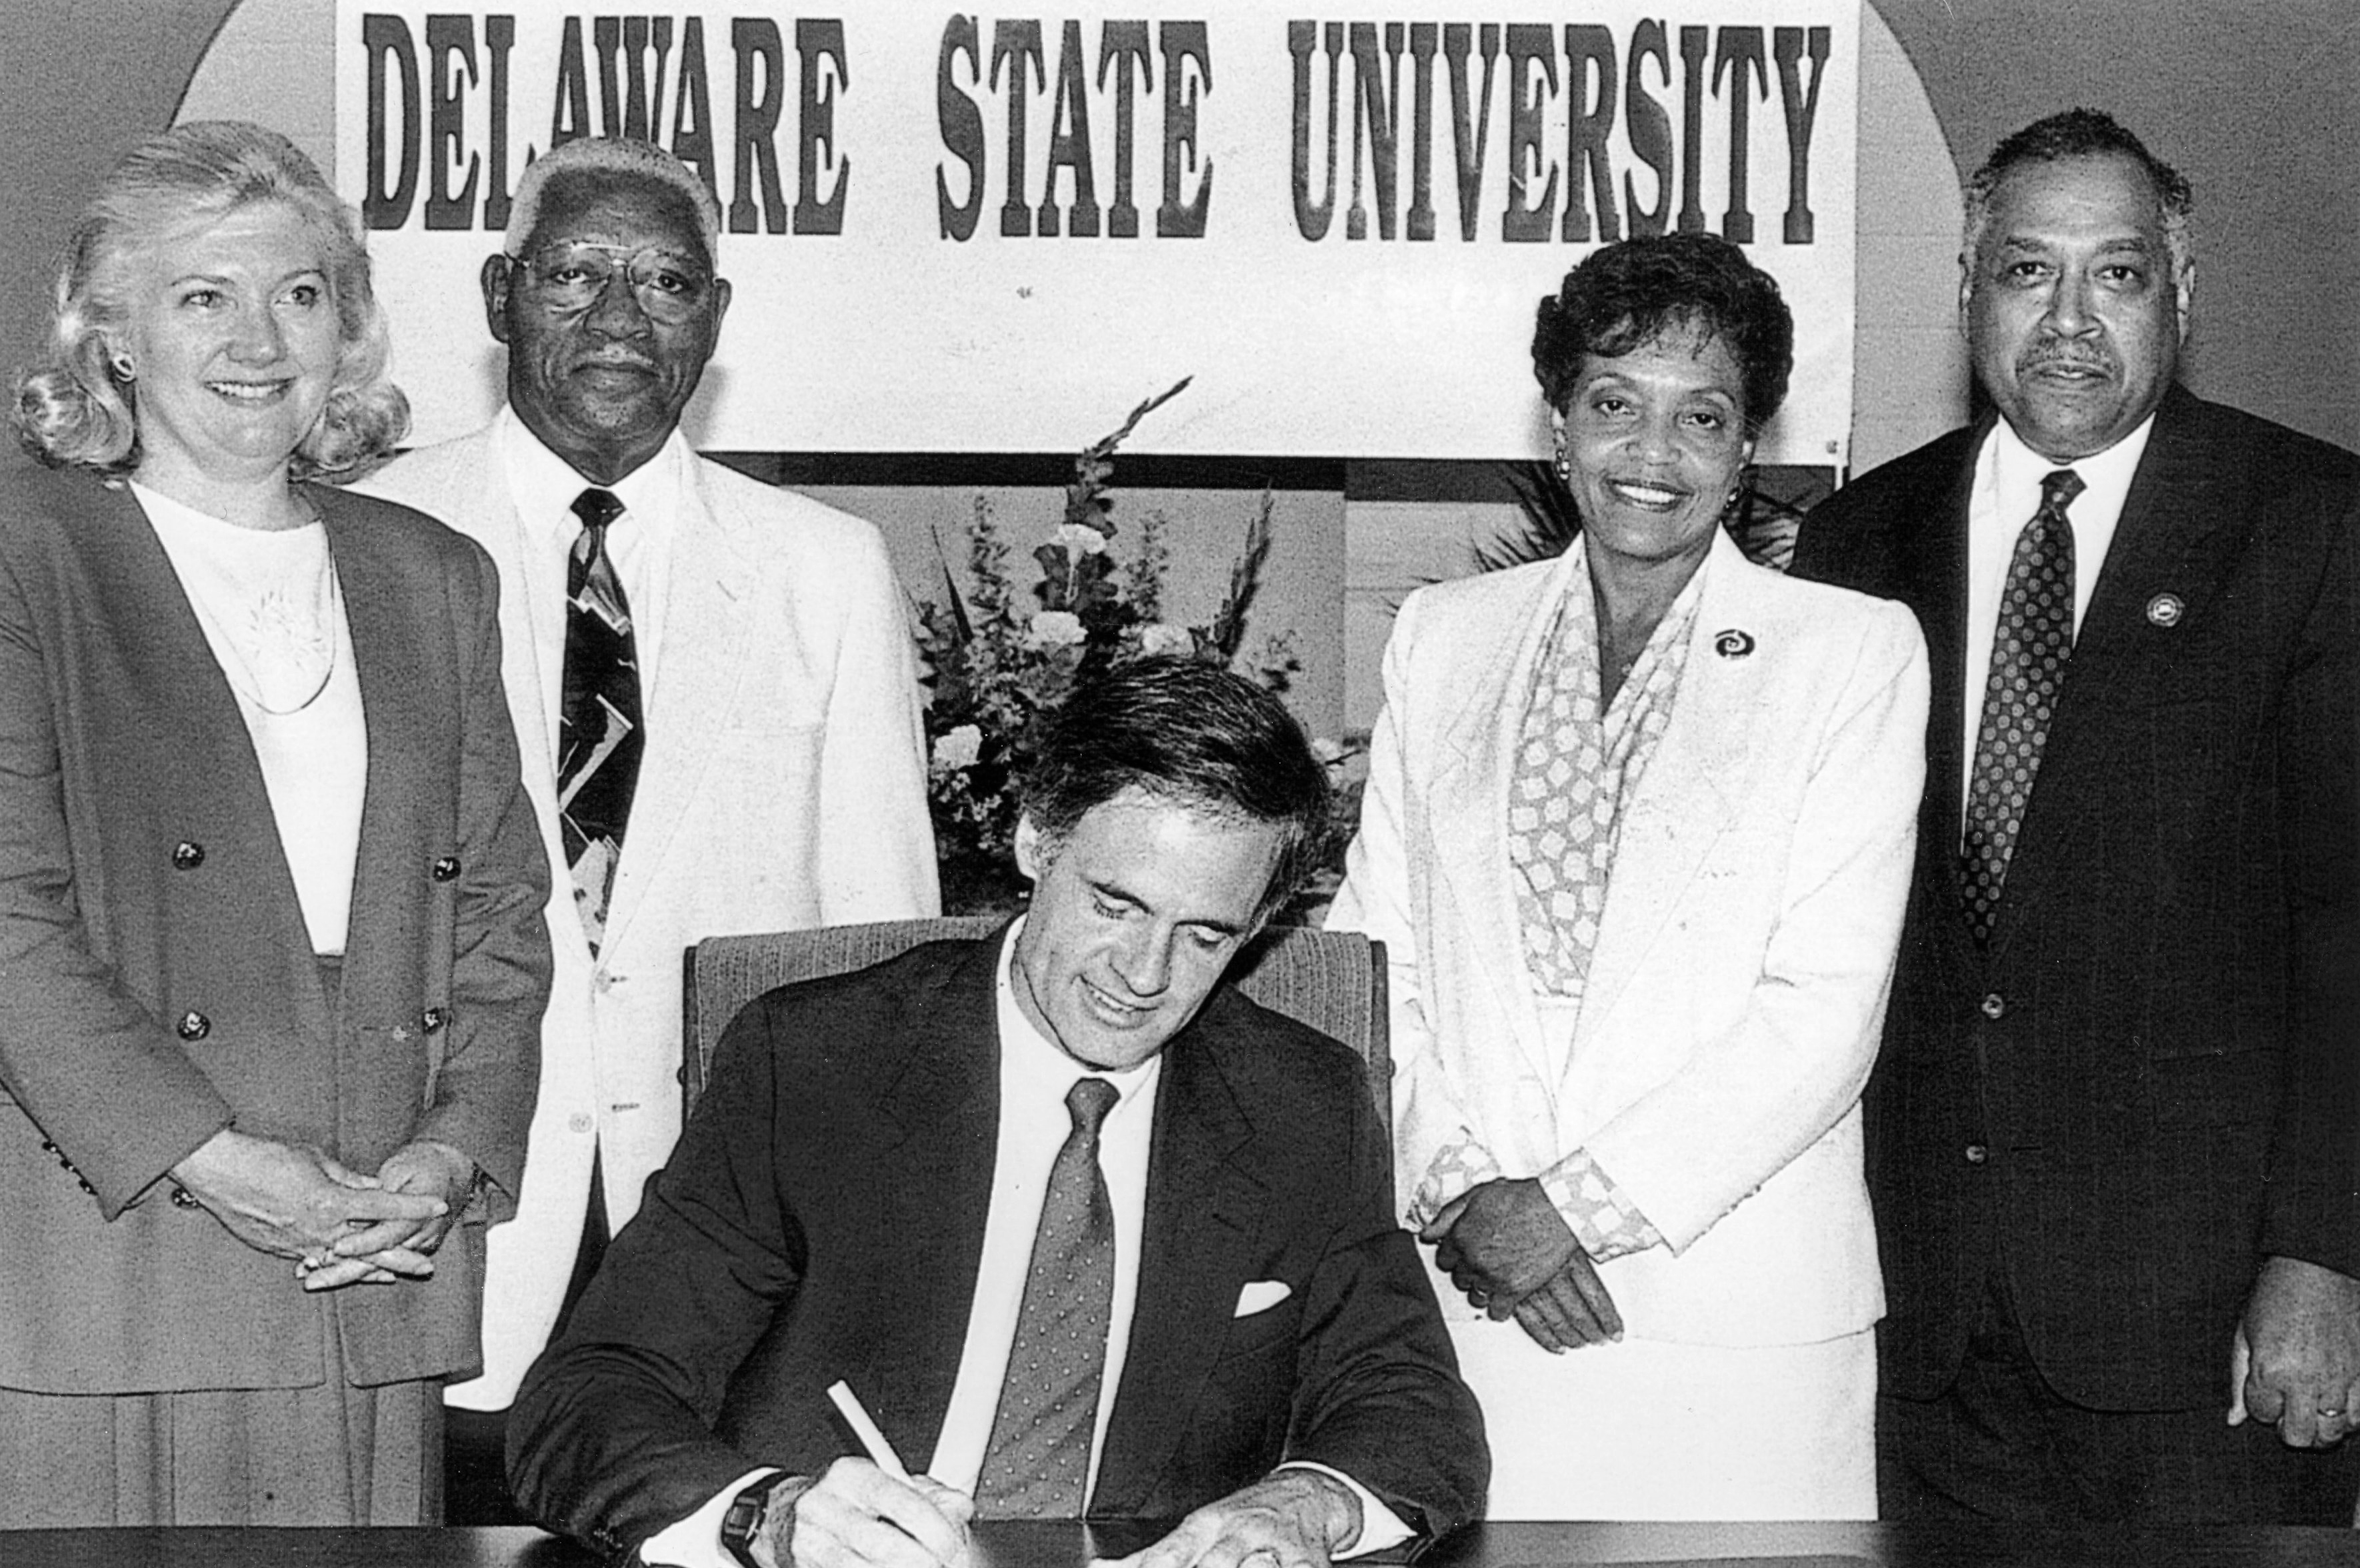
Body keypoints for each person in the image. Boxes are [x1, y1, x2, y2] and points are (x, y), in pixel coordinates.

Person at [507, 658, 1487, 1568]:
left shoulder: (1300, 1104)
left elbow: (1415, 1412)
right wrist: (766, 1514)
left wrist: (1303, 1503)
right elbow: (586, 1396)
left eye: (1204, 936)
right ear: (1034, 840)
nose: (1143, 976)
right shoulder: (813, 1065)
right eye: (1114, 905)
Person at [1790, 109, 2360, 1523]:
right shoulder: (1860, 543)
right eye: (2026, 272)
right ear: (1968, 287)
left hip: (2206, 1328)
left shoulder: (2312, 522)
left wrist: (2328, 1259)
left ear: (2182, 296)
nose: (2067, 320)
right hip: (1920, 1316)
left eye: (2115, 276)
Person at [358, 135, 939, 1491]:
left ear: (716, 321)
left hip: (719, 1243)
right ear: (500, 295)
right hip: (438, 1221)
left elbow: (877, 951)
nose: (621, 320)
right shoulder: (366, 533)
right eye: (574, 277)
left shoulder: (825, 570)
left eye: (668, 284)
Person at [1325, 232, 1929, 1520]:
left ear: (1747, 443)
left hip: (1737, 1318)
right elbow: (1374, 965)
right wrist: (1463, 1194)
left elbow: (1825, 1008)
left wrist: (1573, 1209)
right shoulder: (1445, 637)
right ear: (1559, 423)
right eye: (1614, 406)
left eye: (1698, 417)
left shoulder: (1851, 653)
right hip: (1471, 1293)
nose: (1651, 457)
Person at [0, 121, 549, 1525]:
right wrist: (214, 1160)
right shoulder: (30, 556)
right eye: (204, 297)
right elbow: (9, 925)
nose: (260, 338)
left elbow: (498, 915)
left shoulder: (433, 575)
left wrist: (450, 1156)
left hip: (366, 1258)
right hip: (113, 1250)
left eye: (299, 295)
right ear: (112, 339)